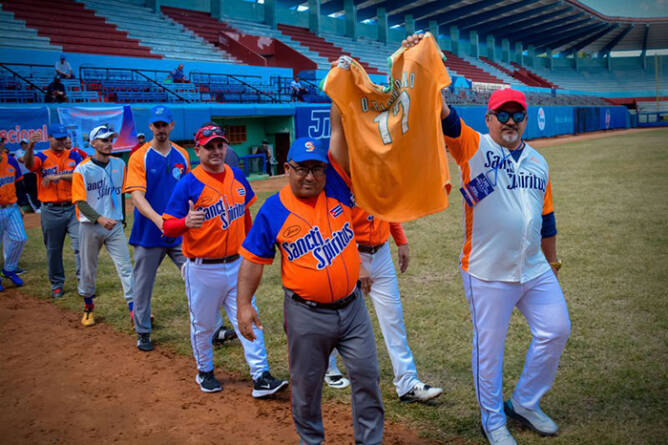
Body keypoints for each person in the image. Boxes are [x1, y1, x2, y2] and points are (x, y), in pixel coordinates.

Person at [408, 30, 569, 445]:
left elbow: (546, 218)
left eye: (518, 114)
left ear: (526, 119)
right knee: (489, 352)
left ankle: (526, 401)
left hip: (534, 268)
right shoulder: (472, 146)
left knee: (556, 329)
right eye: (503, 114)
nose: (511, 120)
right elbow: (442, 114)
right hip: (486, 271)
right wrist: (422, 62)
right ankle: (492, 420)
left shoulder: (539, 160)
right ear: (490, 119)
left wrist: (551, 259)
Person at [237, 136, 384, 444]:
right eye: (302, 169)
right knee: (306, 388)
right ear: (288, 169)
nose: (310, 176)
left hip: (353, 308)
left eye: (317, 169)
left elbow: (340, 132)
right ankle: (311, 441)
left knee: (367, 377)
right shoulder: (273, 209)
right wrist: (244, 304)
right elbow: (252, 260)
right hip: (306, 314)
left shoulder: (338, 188)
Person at [162, 123, 287, 396]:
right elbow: (167, 226)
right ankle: (204, 371)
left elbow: (246, 216)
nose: (216, 151)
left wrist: (254, 248)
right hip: (203, 269)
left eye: (220, 145)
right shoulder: (188, 183)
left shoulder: (238, 176)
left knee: (248, 318)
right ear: (198, 150)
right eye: (209, 146)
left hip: (237, 265)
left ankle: (261, 375)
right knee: (204, 325)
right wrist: (185, 222)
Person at [324, 207, 443, 403]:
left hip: (381, 253)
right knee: (342, 314)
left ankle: (407, 382)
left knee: (393, 318)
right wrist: (357, 264)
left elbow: (386, 208)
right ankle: (328, 366)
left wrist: (401, 240)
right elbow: (333, 223)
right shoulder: (342, 180)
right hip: (347, 253)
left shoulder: (378, 177)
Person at [125, 105, 190, 351]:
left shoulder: (182, 155)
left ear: (172, 125)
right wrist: (159, 220)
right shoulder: (139, 156)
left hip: (177, 233)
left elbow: (187, 191)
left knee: (195, 277)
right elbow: (137, 198)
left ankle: (213, 327)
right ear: (150, 127)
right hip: (148, 233)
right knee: (142, 285)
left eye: (165, 124)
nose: (160, 129)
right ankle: (142, 331)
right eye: (156, 125)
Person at [72, 125, 134, 327]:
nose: (108, 143)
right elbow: (80, 202)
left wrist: (122, 217)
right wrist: (99, 219)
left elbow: (123, 193)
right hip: (90, 226)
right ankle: (88, 306)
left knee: (126, 267)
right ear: (92, 144)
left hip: (114, 225)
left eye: (110, 140)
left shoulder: (119, 164)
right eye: (104, 140)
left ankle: (135, 311)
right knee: (88, 269)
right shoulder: (82, 169)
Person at [24, 124, 82, 298]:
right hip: (51, 210)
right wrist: (30, 148)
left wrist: (59, 176)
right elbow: (29, 165)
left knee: (80, 246)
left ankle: (83, 282)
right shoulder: (42, 156)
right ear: (49, 138)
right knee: (53, 249)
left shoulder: (74, 155)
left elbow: (80, 176)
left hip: (72, 207)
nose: (61, 141)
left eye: (63, 138)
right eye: (57, 138)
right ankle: (57, 283)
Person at [0, 138, 27, 291]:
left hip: (12, 207)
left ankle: (9, 269)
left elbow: (18, 183)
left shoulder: (10, 161)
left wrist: (20, 205)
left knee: (20, 238)